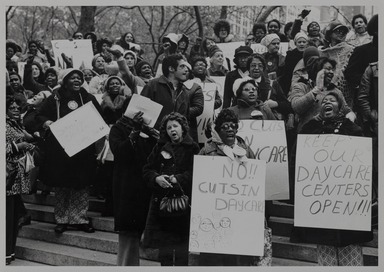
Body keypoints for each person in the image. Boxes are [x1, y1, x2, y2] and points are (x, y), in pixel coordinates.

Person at [290, 92, 373, 266]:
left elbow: (363, 163)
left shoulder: (353, 129)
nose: (327, 102)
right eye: (323, 101)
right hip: (323, 206)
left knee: (350, 254)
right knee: (325, 253)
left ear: (340, 106)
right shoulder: (310, 129)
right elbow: (298, 158)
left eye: (332, 100)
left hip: (346, 205)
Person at [196, 108, 272, 266]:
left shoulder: (245, 150)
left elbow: (256, 179)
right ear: (218, 130)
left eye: (233, 125)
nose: (230, 129)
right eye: (224, 126)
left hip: (240, 216)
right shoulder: (206, 151)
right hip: (215, 216)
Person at [35, 68, 103, 234]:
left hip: (83, 149)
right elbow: (39, 116)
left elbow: (99, 118)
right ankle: (62, 219)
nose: (77, 80)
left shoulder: (88, 98)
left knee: (81, 185)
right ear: (65, 81)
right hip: (61, 150)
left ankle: (79, 219)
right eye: (72, 78)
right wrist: (47, 123)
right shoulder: (55, 99)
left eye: (79, 78)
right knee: (62, 184)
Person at [142, 112, 200, 266]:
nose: (172, 130)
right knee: (165, 252)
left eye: (175, 126)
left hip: (183, 205)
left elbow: (196, 172)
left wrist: (178, 179)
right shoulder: (160, 146)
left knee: (181, 252)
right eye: (169, 127)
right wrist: (156, 178)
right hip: (163, 206)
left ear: (183, 128)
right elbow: (147, 169)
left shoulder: (192, 147)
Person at [109, 97, 159, 265]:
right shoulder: (117, 128)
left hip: (144, 187)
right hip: (127, 188)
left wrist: (155, 136)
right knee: (128, 234)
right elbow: (120, 152)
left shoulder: (149, 131)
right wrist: (135, 132)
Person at [6, 96, 36, 265]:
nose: (16, 110)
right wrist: (20, 146)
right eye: (12, 108)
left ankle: (8, 253)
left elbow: (27, 138)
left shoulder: (15, 124)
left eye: (18, 107)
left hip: (15, 177)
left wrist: (30, 141)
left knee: (13, 216)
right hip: (7, 178)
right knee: (8, 217)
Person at [288, 56, 354, 133]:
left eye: (332, 69)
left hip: (330, 136)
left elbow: (347, 111)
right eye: (328, 69)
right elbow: (297, 107)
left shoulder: (336, 91)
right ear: (317, 70)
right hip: (307, 135)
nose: (331, 72)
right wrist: (317, 89)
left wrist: (350, 117)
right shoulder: (301, 86)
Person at [141, 54, 190, 130]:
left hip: (174, 139)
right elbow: (141, 112)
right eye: (182, 66)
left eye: (186, 67)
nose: (186, 70)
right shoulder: (153, 85)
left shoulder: (185, 91)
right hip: (153, 137)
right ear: (171, 68)